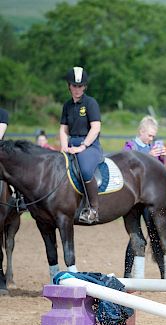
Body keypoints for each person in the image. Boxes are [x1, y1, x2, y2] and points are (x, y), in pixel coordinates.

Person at [122, 115, 166, 278]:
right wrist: (149, 154)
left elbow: (160, 171)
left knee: (154, 233)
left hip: (149, 198)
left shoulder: (153, 146)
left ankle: (165, 274)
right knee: (135, 235)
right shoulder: (129, 146)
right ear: (141, 131)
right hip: (132, 200)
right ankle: (127, 274)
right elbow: (128, 167)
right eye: (149, 135)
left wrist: (161, 157)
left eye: (153, 136)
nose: (152, 138)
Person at [59, 66, 103, 224]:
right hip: (71, 144)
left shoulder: (91, 103)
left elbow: (96, 127)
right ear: (69, 86)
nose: (77, 89)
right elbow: (64, 129)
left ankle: (93, 209)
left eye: (80, 86)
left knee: (84, 169)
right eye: (74, 85)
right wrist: (64, 147)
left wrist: (83, 146)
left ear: (84, 86)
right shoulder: (67, 105)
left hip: (90, 145)